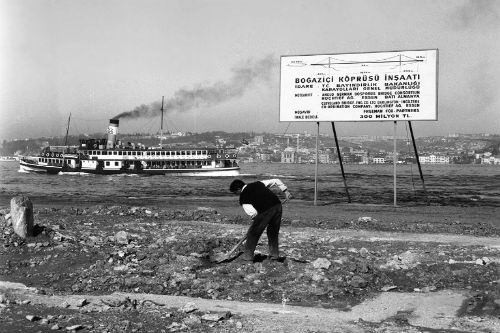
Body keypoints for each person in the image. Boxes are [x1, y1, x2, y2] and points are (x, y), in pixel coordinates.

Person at [229, 178, 292, 262]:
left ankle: (248, 256)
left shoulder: (243, 197)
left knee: (253, 233)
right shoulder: (258, 183)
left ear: (238, 189)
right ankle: (274, 255)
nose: (236, 194)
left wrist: (256, 222)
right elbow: (276, 181)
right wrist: (286, 192)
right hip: (277, 205)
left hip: (265, 211)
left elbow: (253, 213)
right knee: (273, 232)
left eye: (235, 193)